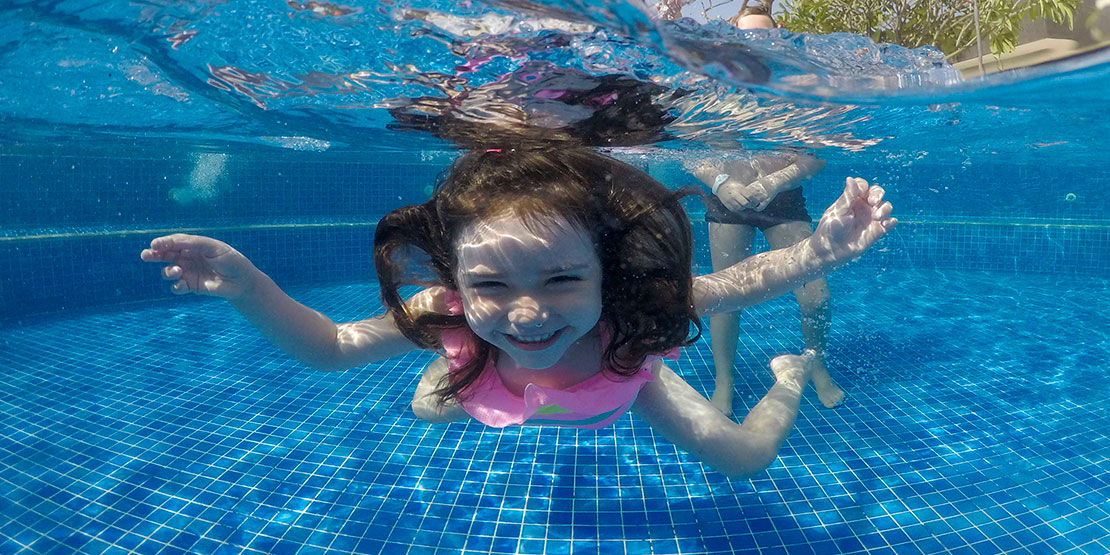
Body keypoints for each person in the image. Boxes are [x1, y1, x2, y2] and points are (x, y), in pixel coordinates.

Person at [140, 148, 895, 479]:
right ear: (456, 278)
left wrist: (819, 252)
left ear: (605, 272)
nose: (528, 312)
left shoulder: (625, 311)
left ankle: (791, 374)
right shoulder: (449, 309)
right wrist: (250, 288)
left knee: (746, 459)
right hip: (484, 365)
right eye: (491, 284)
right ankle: (462, 368)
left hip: (620, 381)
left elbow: (738, 281)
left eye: (562, 278)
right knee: (429, 402)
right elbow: (332, 345)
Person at [685, 6, 845, 416]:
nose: (754, 45)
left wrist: (773, 182)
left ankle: (815, 363)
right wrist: (721, 183)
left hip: (783, 199)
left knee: (816, 295)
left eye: (763, 36)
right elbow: (689, 151)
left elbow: (816, 157)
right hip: (727, 200)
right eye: (746, 37)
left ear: (778, 37)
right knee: (723, 297)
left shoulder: (797, 90)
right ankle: (724, 380)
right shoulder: (711, 88)